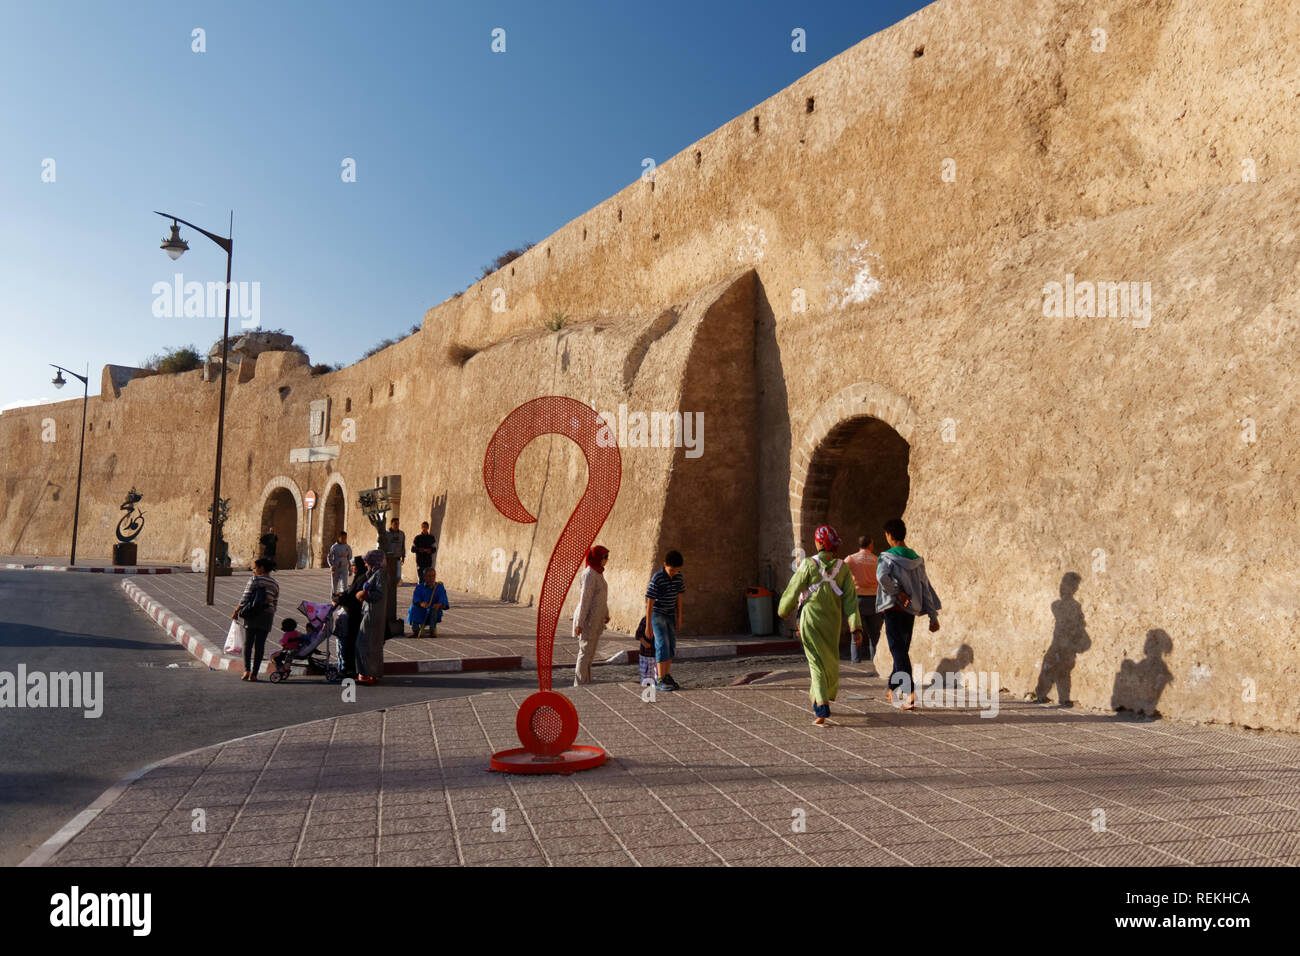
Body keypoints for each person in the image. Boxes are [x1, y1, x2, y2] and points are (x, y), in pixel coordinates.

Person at [778, 525, 862, 726]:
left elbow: (793, 588)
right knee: (830, 660)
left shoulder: (808, 564)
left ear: (819, 543)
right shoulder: (843, 568)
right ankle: (822, 697)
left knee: (815, 661)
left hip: (810, 620)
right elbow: (851, 600)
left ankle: (821, 705)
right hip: (832, 622)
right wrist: (855, 627)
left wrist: (784, 609)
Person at [876, 518, 942, 711]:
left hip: (892, 608)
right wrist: (933, 616)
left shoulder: (887, 557)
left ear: (889, 535)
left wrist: (897, 591)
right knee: (901, 649)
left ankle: (910, 692)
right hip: (910, 611)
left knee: (898, 650)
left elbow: (881, 576)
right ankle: (892, 687)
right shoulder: (916, 559)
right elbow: (925, 588)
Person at [232, 557, 279, 681]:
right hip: (267, 616)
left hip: (252, 614)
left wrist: (236, 610)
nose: (253, 570)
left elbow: (245, 598)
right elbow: (275, 603)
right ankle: (254, 674)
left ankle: (246, 670)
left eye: (255, 567)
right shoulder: (275, 583)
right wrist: (269, 612)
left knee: (248, 643)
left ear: (261, 568)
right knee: (260, 645)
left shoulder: (254, 580)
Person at [644, 550, 685, 692]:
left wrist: (679, 617)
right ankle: (660, 678)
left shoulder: (679, 577)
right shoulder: (657, 578)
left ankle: (667, 675)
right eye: (671, 570)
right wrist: (648, 625)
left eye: (677, 570)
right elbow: (649, 602)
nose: (674, 573)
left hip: (670, 614)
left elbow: (679, 597)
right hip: (658, 613)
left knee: (671, 644)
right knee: (662, 643)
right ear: (665, 565)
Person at [844, 535, 884, 671]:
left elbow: (841, 573)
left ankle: (856, 663)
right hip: (874, 599)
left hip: (857, 599)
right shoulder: (876, 560)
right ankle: (876, 663)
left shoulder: (851, 559)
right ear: (870, 545)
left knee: (856, 632)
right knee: (875, 634)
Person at [572, 545, 611, 686]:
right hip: (587, 621)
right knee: (585, 653)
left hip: (596, 619)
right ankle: (579, 683)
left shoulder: (598, 573)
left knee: (590, 654)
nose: (606, 560)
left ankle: (586, 681)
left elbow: (600, 597)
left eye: (607, 557)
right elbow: (585, 599)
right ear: (598, 558)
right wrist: (579, 623)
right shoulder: (589, 574)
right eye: (604, 557)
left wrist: (606, 613)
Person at [332, 556, 368, 679]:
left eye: (354, 566)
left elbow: (354, 597)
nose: (353, 568)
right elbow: (350, 593)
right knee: (348, 643)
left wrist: (340, 600)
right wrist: (340, 597)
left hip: (356, 616)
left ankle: (350, 669)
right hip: (352, 615)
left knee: (351, 643)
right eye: (352, 566)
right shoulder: (358, 578)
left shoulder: (363, 578)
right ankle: (348, 668)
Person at [355, 549, 388, 684]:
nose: (366, 563)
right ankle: (371, 674)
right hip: (370, 611)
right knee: (372, 643)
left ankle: (367, 674)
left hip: (373, 613)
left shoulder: (380, 574)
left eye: (367, 561)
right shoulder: (374, 573)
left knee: (364, 643)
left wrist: (365, 595)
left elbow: (380, 593)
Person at [408, 567, 450, 638]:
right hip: (422, 610)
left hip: (434, 611)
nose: (431, 578)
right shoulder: (419, 587)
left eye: (433, 576)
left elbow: (443, 599)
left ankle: (432, 630)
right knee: (413, 608)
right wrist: (421, 603)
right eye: (429, 576)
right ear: (424, 577)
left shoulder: (439, 587)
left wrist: (439, 604)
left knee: (434, 610)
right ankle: (415, 631)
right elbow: (416, 599)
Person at [328, 531, 352, 596]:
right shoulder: (334, 547)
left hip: (344, 568)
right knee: (334, 586)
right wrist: (331, 566)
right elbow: (329, 557)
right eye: (342, 538)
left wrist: (350, 570)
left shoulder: (348, 547)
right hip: (336, 568)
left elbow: (349, 559)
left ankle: (343, 598)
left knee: (344, 584)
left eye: (345, 538)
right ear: (339, 538)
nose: (344, 539)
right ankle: (333, 598)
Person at [386, 518, 406, 585]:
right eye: (395, 524)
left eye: (398, 524)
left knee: (398, 576)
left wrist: (403, 556)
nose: (397, 525)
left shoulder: (401, 534)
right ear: (391, 524)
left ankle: (393, 587)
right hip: (388, 559)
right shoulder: (386, 533)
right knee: (389, 576)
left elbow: (403, 545)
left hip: (397, 558)